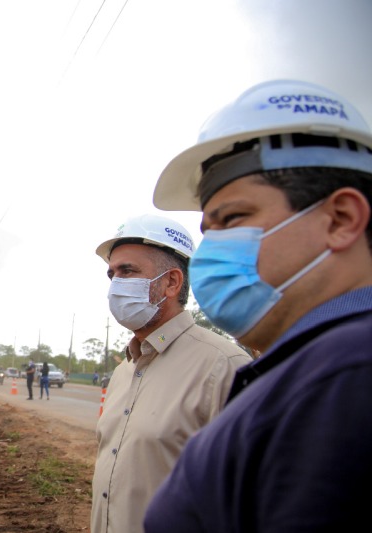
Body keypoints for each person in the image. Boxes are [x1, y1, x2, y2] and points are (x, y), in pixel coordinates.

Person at [143, 79, 372, 532]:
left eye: (233, 219)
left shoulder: (346, 376)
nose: (211, 251)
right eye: (208, 230)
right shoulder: (310, 369)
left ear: (341, 219)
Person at [90, 213, 253, 533]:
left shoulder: (224, 366)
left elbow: (249, 496)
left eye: (128, 271)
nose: (116, 284)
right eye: (112, 275)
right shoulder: (124, 371)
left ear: (171, 282)